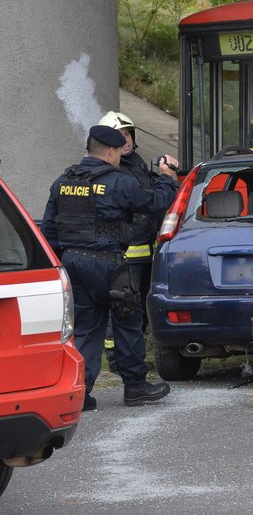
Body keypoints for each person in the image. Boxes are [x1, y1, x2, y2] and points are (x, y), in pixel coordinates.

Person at [41, 125, 179, 411]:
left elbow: (50, 228)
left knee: (85, 329)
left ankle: (80, 392)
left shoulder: (63, 180)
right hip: (108, 264)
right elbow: (155, 203)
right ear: (112, 151)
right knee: (127, 322)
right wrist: (167, 177)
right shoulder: (118, 182)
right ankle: (136, 388)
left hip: (71, 263)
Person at [97, 111, 164, 371]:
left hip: (147, 252)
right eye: (120, 135)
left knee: (139, 311)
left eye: (128, 134)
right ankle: (116, 361)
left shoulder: (135, 164)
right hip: (126, 255)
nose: (125, 140)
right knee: (124, 310)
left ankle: (132, 358)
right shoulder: (112, 173)